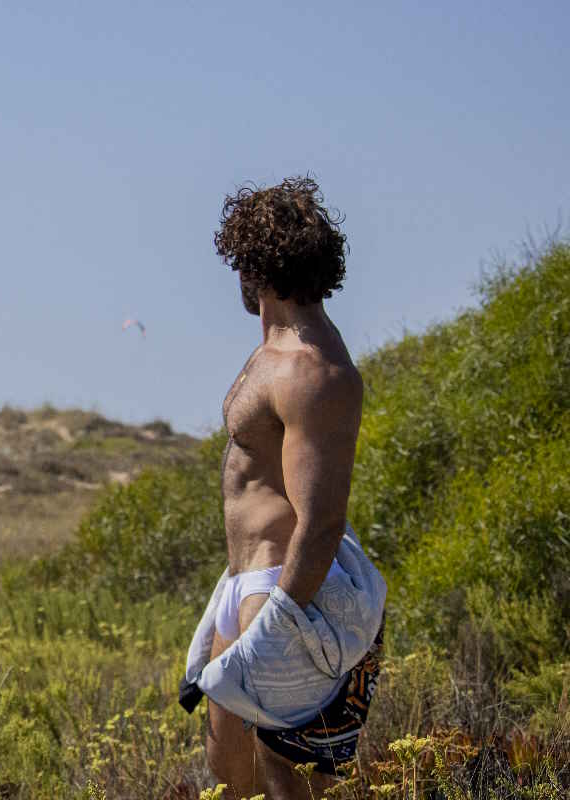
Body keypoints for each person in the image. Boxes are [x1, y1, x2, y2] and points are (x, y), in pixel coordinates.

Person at [178, 177, 387, 799]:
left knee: (283, 779)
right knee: (229, 772)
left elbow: (321, 522)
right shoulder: (274, 349)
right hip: (245, 583)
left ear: (257, 267)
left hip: (279, 589)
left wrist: (276, 626)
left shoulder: (310, 370)